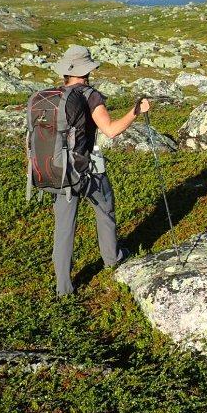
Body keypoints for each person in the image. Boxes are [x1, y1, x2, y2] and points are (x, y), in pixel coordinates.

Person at [50, 44, 150, 297]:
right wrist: (135, 112)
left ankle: (63, 289)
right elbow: (111, 130)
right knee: (105, 209)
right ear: (87, 70)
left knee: (63, 228)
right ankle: (112, 259)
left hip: (59, 169)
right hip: (89, 168)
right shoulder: (90, 95)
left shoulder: (53, 96)